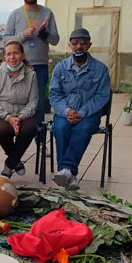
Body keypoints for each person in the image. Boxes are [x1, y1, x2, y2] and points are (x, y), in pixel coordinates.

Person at [48, 28, 110, 191]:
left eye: (83, 42)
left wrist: (82, 113)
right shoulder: (60, 68)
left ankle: (66, 170)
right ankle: (70, 174)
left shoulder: (100, 69)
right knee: (61, 128)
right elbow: (54, 95)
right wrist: (67, 111)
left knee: (82, 129)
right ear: (69, 45)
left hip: (88, 114)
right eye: (74, 43)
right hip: (64, 112)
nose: (79, 46)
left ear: (89, 45)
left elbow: (101, 97)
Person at [4, 0, 59, 147]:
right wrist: (23, 36)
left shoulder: (47, 13)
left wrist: (43, 33)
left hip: (40, 67)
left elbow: (55, 40)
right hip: (18, 67)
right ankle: (16, 139)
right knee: (15, 103)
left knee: (39, 106)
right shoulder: (15, 15)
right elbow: (5, 40)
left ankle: (40, 142)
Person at [0, 40, 38, 178]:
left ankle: (10, 164)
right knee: (3, 131)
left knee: (30, 129)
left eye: (15, 53)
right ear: (4, 57)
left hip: (23, 114)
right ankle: (16, 162)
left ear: (22, 55)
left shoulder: (31, 75)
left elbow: (33, 102)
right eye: (8, 54)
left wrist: (20, 117)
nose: (12, 57)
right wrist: (8, 118)